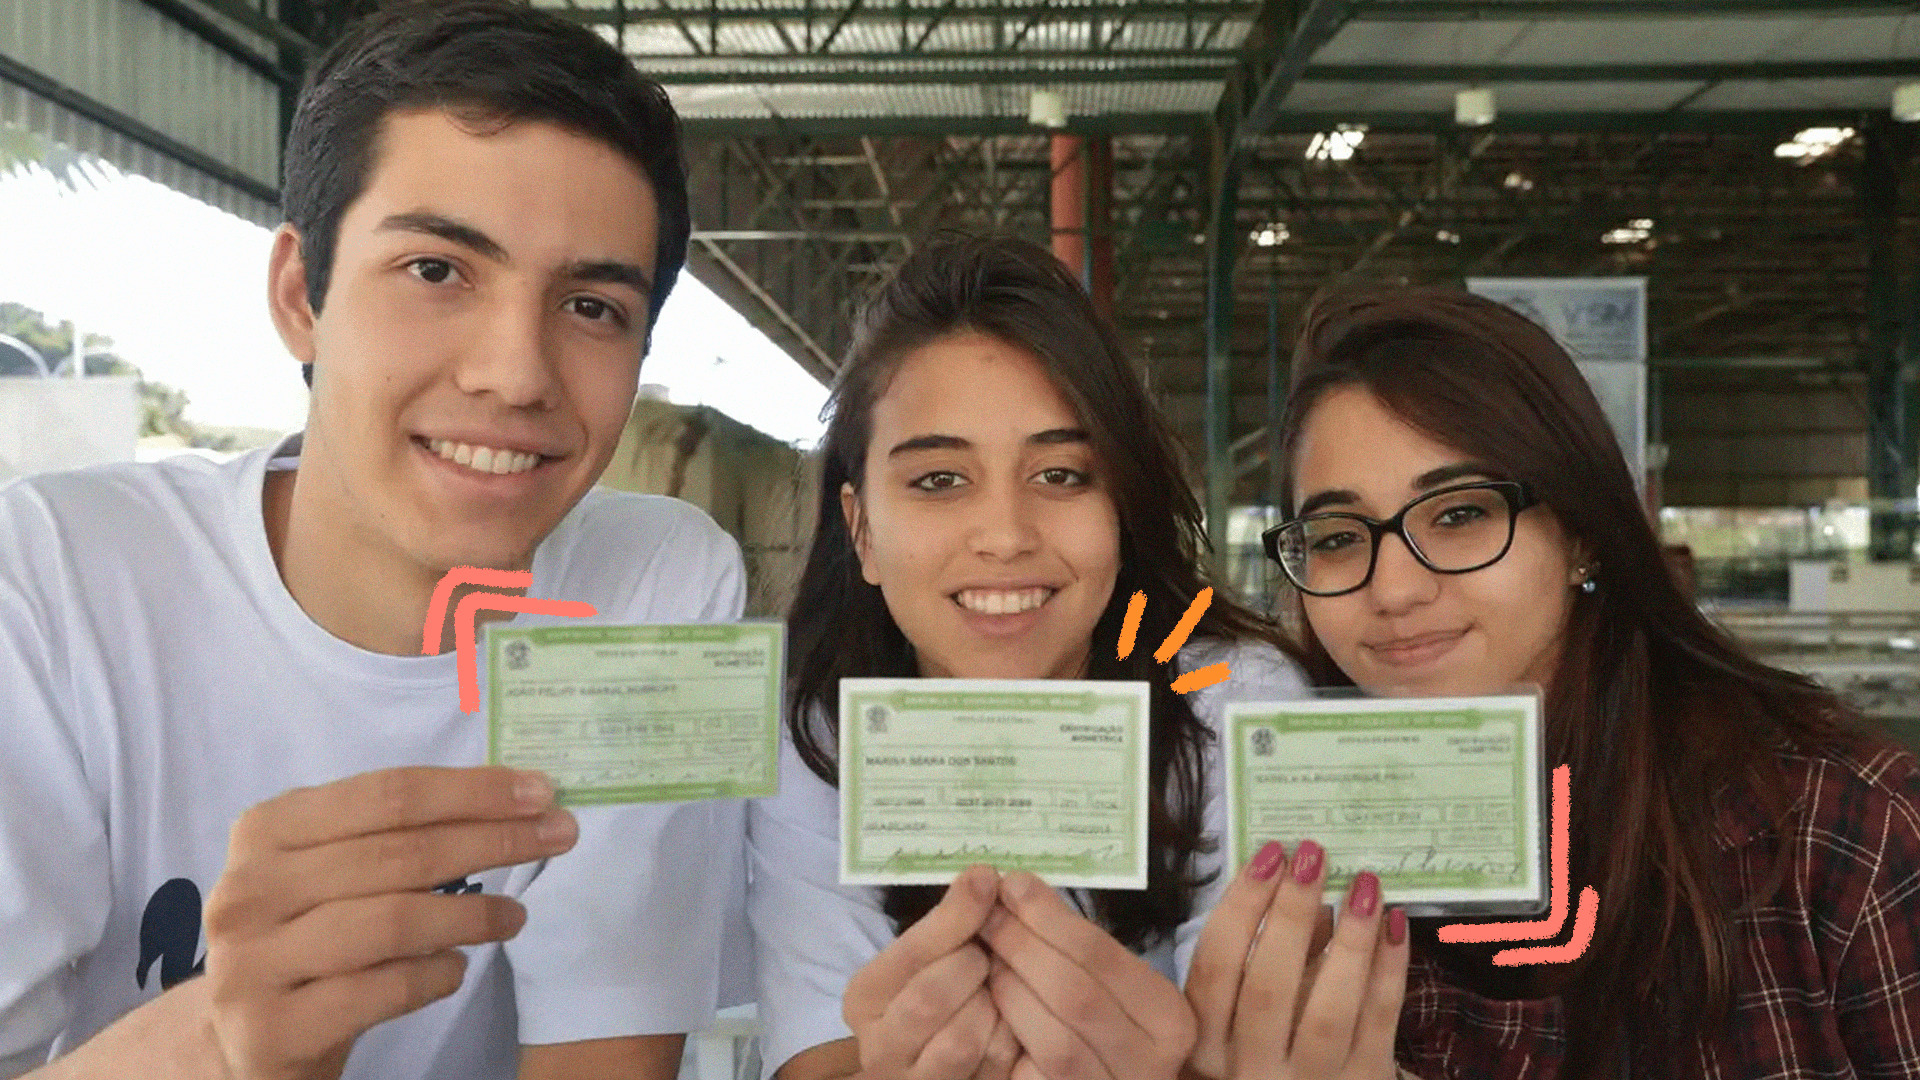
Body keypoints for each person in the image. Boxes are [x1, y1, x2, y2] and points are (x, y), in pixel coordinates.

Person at [0, 3, 750, 1078]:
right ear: (302, 297)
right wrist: (220, 1044)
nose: (517, 373)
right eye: (437, 270)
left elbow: (606, 1053)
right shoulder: (55, 584)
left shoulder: (657, 587)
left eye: (591, 306)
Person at [749, 235, 1412, 1080]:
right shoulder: (818, 741)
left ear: (1122, 510)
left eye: (1062, 475)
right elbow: (817, 1057)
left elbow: (1261, 1045)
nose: (1005, 536)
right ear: (861, 531)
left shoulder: (1227, 699)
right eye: (939, 480)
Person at [1263, 287, 1920, 1078]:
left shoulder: (1838, 830)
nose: (1394, 590)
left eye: (1461, 514)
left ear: (1581, 533)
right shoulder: (1294, 867)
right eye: (1337, 536)